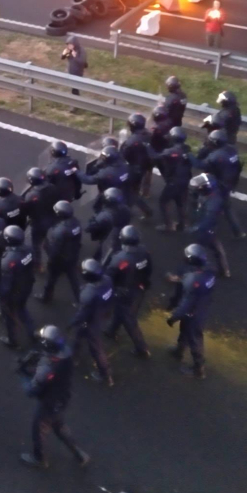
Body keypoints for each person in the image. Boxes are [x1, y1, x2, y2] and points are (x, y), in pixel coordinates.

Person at [19, 325, 90, 469]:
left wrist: (24, 376)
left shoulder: (48, 367)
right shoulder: (66, 355)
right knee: (58, 425)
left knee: (38, 427)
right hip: (62, 398)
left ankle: (39, 458)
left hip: (49, 402)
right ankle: (79, 453)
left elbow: (33, 389)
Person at [166, 245, 216, 379]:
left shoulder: (193, 280)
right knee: (185, 330)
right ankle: (179, 350)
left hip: (193, 313)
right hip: (202, 306)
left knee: (195, 340)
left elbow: (185, 305)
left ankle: (199, 369)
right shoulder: (209, 271)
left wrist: (173, 317)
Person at [103, 226, 152, 359]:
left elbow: (109, 276)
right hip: (139, 289)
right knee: (122, 312)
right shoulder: (144, 251)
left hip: (124, 293)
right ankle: (111, 330)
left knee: (129, 321)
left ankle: (142, 349)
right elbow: (149, 269)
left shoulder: (119, 258)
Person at [68, 259, 114, 385]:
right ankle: (74, 356)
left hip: (91, 321)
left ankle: (105, 373)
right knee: (77, 336)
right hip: (102, 313)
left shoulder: (88, 293)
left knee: (96, 347)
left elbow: (82, 314)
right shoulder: (107, 280)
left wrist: (72, 322)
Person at [0, 225, 36, 349]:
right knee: (22, 309)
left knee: (9, 315)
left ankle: (12, 340)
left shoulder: (8, 260)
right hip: (27, 284)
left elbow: (6, 284)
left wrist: (2, 296)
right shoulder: (28, 249)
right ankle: (32, 332)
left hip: (14, 291)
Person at [188, 173, 231, 278]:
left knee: (198, 250)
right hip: (210, 226)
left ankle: (198, 272)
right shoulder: (211, 192)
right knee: (217, 248)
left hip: (207, 229)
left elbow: (207, 221)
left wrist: (195, 228)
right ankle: (225, 270)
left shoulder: (213, 203)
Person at [39, 201, 82, 304]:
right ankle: (80, 300)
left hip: (59, 260)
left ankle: (46, 297)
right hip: (72, 256)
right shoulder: (76, 223)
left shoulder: (59, 231)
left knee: (51, 279)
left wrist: (50, 260)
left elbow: (55, 249)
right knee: (74, 280)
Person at [156, 127, 193, 232]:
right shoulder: (187, 148)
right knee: (180, 203)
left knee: (163, 201)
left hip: (173, 182)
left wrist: (148, 147)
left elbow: (156, 157)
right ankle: (184, 224)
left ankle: (169, 225)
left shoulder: (169, 151)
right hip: (185, 180)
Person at [22, 167, 57, 272]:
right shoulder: (52, 187)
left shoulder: (31, 196)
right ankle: (54, 258)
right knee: (45, 239)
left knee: (36, 244)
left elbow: (26, 210)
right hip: (51, 219)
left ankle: (38, 265)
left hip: (37, 223)